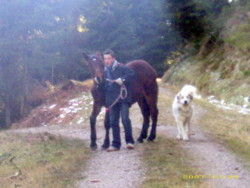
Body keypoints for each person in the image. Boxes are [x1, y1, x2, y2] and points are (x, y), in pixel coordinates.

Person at [102, 49, 135, 151]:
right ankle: (115, 144)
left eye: (109, 58)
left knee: (125, 119)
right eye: (105, 59)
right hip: (111, 99)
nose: (107, 60)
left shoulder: (122, 67)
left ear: (113, 58)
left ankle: (129, 142)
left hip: (123, 97)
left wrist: (123, 80)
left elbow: (132, 74)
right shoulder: (104, 71)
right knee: (113, 121)